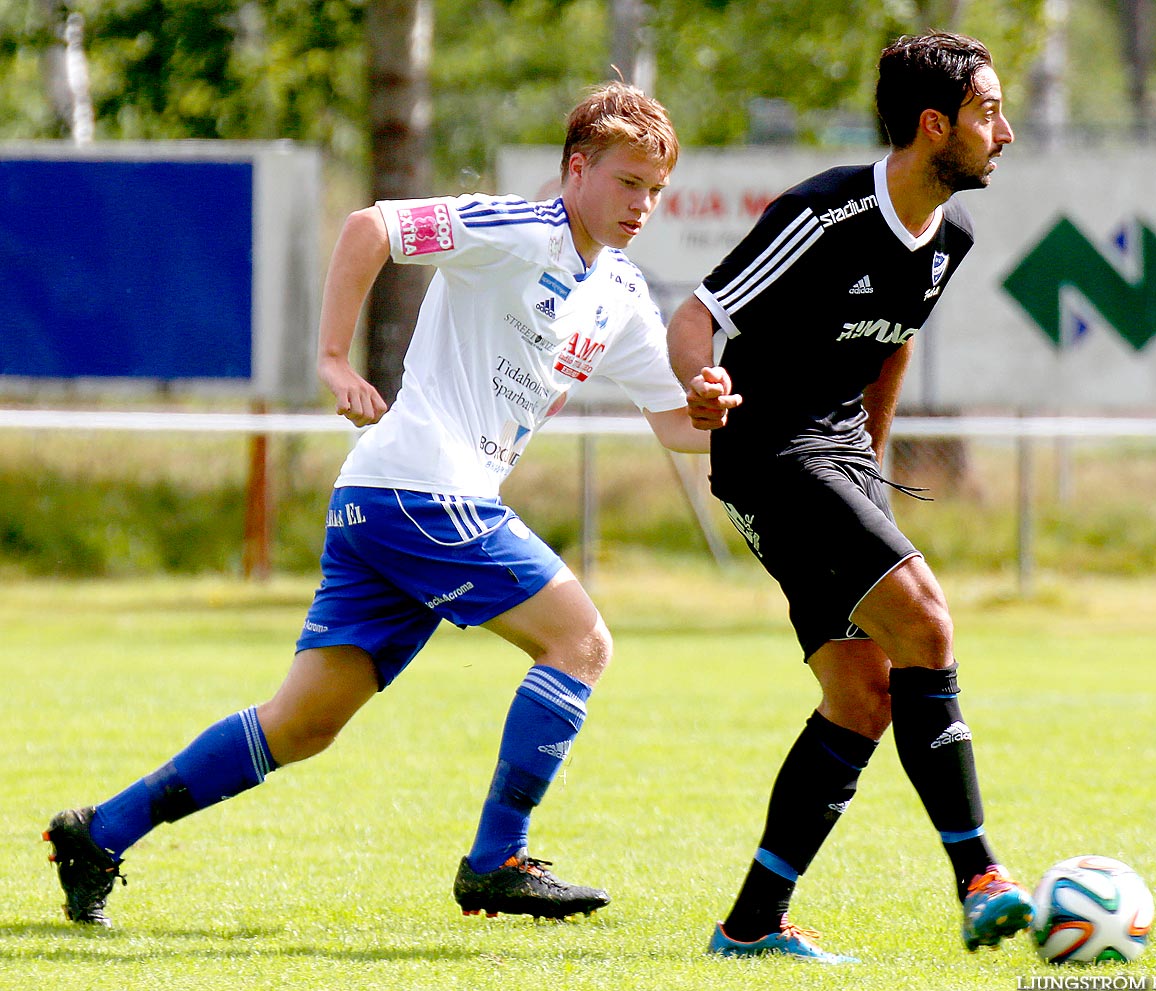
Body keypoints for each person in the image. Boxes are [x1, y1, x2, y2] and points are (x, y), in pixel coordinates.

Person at [44, 82, 706, 928]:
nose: (642, 205)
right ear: (577, 169)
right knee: (580, 642)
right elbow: (372, 228)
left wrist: (738, 420)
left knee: (303, 723)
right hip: (422, 489)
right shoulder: (516, 230)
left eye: (655, 190)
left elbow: (678, 426)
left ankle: (100, 833)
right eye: (626, 183)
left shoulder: (619, 293)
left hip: (384, 498)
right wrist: (332, 359)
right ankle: (496, 859)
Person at [666, 32, 1031, 964]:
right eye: (990, 112)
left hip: (835, 463)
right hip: (768, 455)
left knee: (863, 694)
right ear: (933, 124)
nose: (1007, 132)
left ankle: (748, 926)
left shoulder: (948, 239)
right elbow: (698, 312)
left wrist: (872, 460)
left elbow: (894, 338)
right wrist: (701, 383)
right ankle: (982, 879)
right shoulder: (824, 213)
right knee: (930, 629)